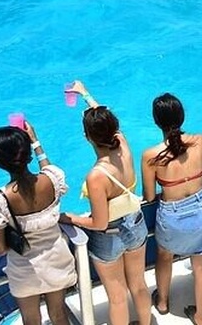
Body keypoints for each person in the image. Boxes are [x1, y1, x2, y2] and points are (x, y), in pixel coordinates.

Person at [60, 82, 151, 325]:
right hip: (136, 223)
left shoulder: (96, 177)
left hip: (110, 236)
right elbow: (108, 121)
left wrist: (68, 218)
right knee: (139, 285)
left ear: (87, 137)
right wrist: (86, 95)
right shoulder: (123, 144)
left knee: (118, 297)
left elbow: (99, 223)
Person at [0, 122, 77, 325]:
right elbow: (49, 170)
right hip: (57, 260)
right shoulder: (53, 180)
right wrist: (36, 142)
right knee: (59, 314)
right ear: (26, 154)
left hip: (24, 270)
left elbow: (0, 249)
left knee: (31, 320)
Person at [142, 93, 202, 325]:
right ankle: (200, 317)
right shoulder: (201, 141)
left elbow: (148, 196)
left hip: (173, 215)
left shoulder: (150, 156)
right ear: (182, 116)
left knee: (165, 256)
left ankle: (163, 302)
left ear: (156, 121)